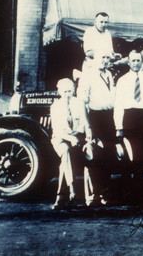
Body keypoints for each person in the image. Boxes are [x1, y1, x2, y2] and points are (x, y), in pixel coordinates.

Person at [77, 50, 116, 207]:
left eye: (107, 57)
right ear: (93, 59)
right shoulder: (87, 76)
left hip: (109, 118)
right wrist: (88, 127)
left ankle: (104, 192)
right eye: (102, 57)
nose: (105, 60)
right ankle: (94, 194)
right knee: (94, 157)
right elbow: (82, 103)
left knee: (108, 156)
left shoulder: (109, 75)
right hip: (94, 117)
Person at [50, 78, 90, 210]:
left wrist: (87, 135)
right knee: (66, 150)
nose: (67, 94)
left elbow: (86, 123)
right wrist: (70, 138)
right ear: (59, 92)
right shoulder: (55, 106)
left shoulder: (80, 103)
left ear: (74, 90)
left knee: (65, 162)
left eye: (70, 91)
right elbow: (56, 130)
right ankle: (73, 191)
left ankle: (60, 197)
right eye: (65, 91)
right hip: (60, 138)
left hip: (77, 137)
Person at [114, 51, 143, 175]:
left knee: (142, 152)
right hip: (129, 118)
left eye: (138, 60)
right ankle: (128, 184)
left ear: (142, 62)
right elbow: (118, 104)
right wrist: (119, 126)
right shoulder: (122, 80)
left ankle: (139, 182)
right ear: (129, 62)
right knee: (130, 151)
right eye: (133, 61)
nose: (136, 63)